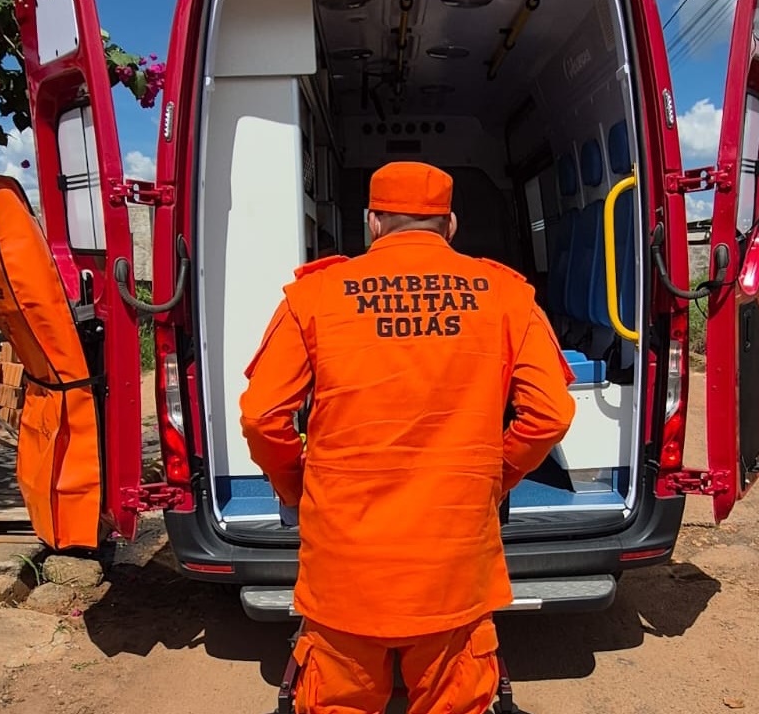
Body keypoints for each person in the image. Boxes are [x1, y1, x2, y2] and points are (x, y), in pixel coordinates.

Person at [240, 161, 576, 714]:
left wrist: (297, 487)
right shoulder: (505, 295)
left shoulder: (314, 296)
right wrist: (494, 477)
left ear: (372, 222)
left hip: (345, 564)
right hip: (454, 562)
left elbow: (261, 416)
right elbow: (549, 413)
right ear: (451, 225)